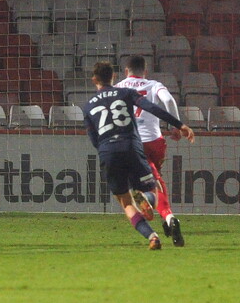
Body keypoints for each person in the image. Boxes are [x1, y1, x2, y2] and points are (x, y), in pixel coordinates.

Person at [83, 61, 195, 250]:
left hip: (108, 152)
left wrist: (107, 151)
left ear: (94, 79)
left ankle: (152, 237)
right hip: (132, 147)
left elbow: (94, 138)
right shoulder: (125, 93)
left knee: (125, 202)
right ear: (114, 77)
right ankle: (147, 199)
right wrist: (179, 125)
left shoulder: (88, 106)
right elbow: (153, 108)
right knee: (153, 189)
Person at [114, 54, 186, 247]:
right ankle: (168, 217)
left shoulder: (118, 87)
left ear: (126, 71)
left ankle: (148, 201)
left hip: (131, 142)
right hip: (154, 141)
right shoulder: (154, 84)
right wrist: (176, 126)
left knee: (137, 185)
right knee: (156, 180)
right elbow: (169, 101)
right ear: (145, 72)